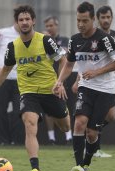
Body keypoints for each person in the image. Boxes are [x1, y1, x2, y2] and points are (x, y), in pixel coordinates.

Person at [0, 5, 71, 171]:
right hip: (28, 92)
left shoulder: (46, 40)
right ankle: (35, 168)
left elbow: (63, 61)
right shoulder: (12, 46)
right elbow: (6, 70)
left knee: (66, 127)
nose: (24, 22)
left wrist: (60, 83)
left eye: (27, 19)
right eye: (21, 20)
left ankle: (59, 114)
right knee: (29, 123)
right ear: (17, 23)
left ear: (33, 21)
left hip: (50, 90)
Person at [52, 2, 115, 171]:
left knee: (92, 134)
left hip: (106, 90)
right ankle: (78, 167)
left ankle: (86, 162)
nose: (81, 24)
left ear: (93, 20)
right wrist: (59, 81)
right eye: (78, 20)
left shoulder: (104, 39)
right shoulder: (74, 40)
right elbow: (69, 65)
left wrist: (96, 72)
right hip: (86, 86)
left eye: (85, 20)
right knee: (79, 123)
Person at [71, 5, 115, 158]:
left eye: (108, 17)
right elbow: (84, 62)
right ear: (98, 19)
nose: (106, 20)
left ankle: (92, 134)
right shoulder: (82, 38)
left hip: (107, 83)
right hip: (89, 83)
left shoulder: (112, 36)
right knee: (83, 123)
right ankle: (91, 148)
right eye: (103, 17)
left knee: (111, 116)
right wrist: (77, 80)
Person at [43, 15, 72, 145]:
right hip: (47, 78)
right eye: (47, 26)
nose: (49, 28)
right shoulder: (42, 41)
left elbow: (65, 56)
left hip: (62, 78)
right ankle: (51, 138)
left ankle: (68, 137)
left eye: (51, 25)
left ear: (57, 25)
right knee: (48, 109)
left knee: (63, 106)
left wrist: (61, 82)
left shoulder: (64, 40)